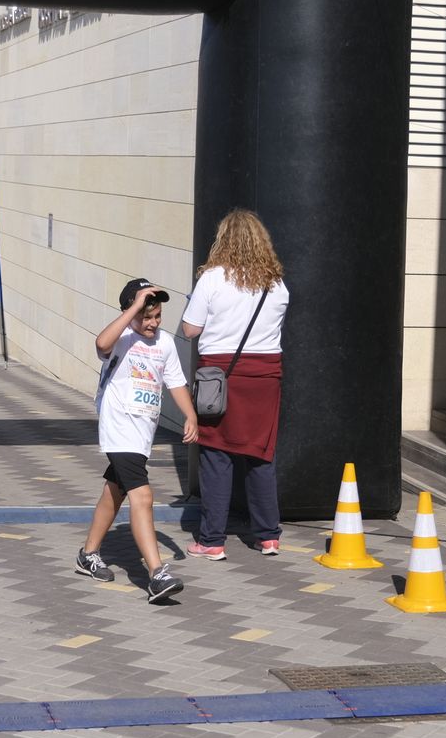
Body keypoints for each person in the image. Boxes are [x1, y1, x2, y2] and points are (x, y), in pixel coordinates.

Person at [75, 280, 198, 604]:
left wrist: (190, 415)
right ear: (130, 312)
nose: (153, 323)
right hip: (119, 429)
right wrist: (134, 309)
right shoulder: (122, 338)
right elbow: (101, 343)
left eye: (157, 316)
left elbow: (176, 382)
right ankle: (156, 575)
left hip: (142, 432)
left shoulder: (165, 343)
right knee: (142, 495)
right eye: (146, 317)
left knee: (115, 490)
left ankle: (88, 554)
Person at [179, 209, 290, 560]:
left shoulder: (212, 279)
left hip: (220, 376)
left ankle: (212, 540)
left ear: (223, 240)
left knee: (216, 454)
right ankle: (268, 536)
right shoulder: (276, 284)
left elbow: (190, 330)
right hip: (265, 378)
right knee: (261, 454)